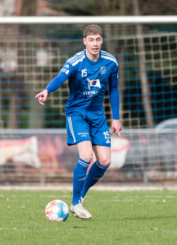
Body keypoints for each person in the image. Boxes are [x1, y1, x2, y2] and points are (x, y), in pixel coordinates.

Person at [35, 24, 122, 219]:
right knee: (86, 156)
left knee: (105, 161)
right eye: (91, 40)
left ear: (102, 40)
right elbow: (60, 77)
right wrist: (47, 90)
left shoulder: (110, 62)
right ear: (84, 41)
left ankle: (80, 198)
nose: (95, 43)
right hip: (77, 114)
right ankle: (75, 203)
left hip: (97, 115)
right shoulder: (75, 62)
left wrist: (115, 118)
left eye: (98, 39)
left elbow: (114, 89)